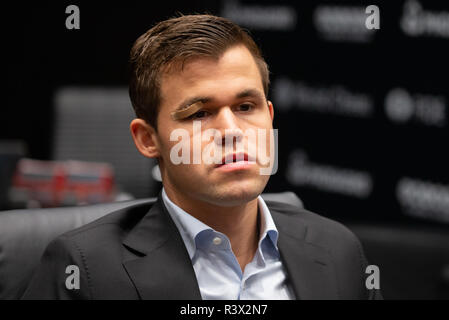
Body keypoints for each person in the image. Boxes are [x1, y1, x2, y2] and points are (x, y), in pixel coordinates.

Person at [22, 14, 381, 300]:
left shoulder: (337, 249)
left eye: (246, 106)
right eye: (199, 113)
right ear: (148, 139)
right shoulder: (84, 271)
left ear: (269, 117)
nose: (231, 130)